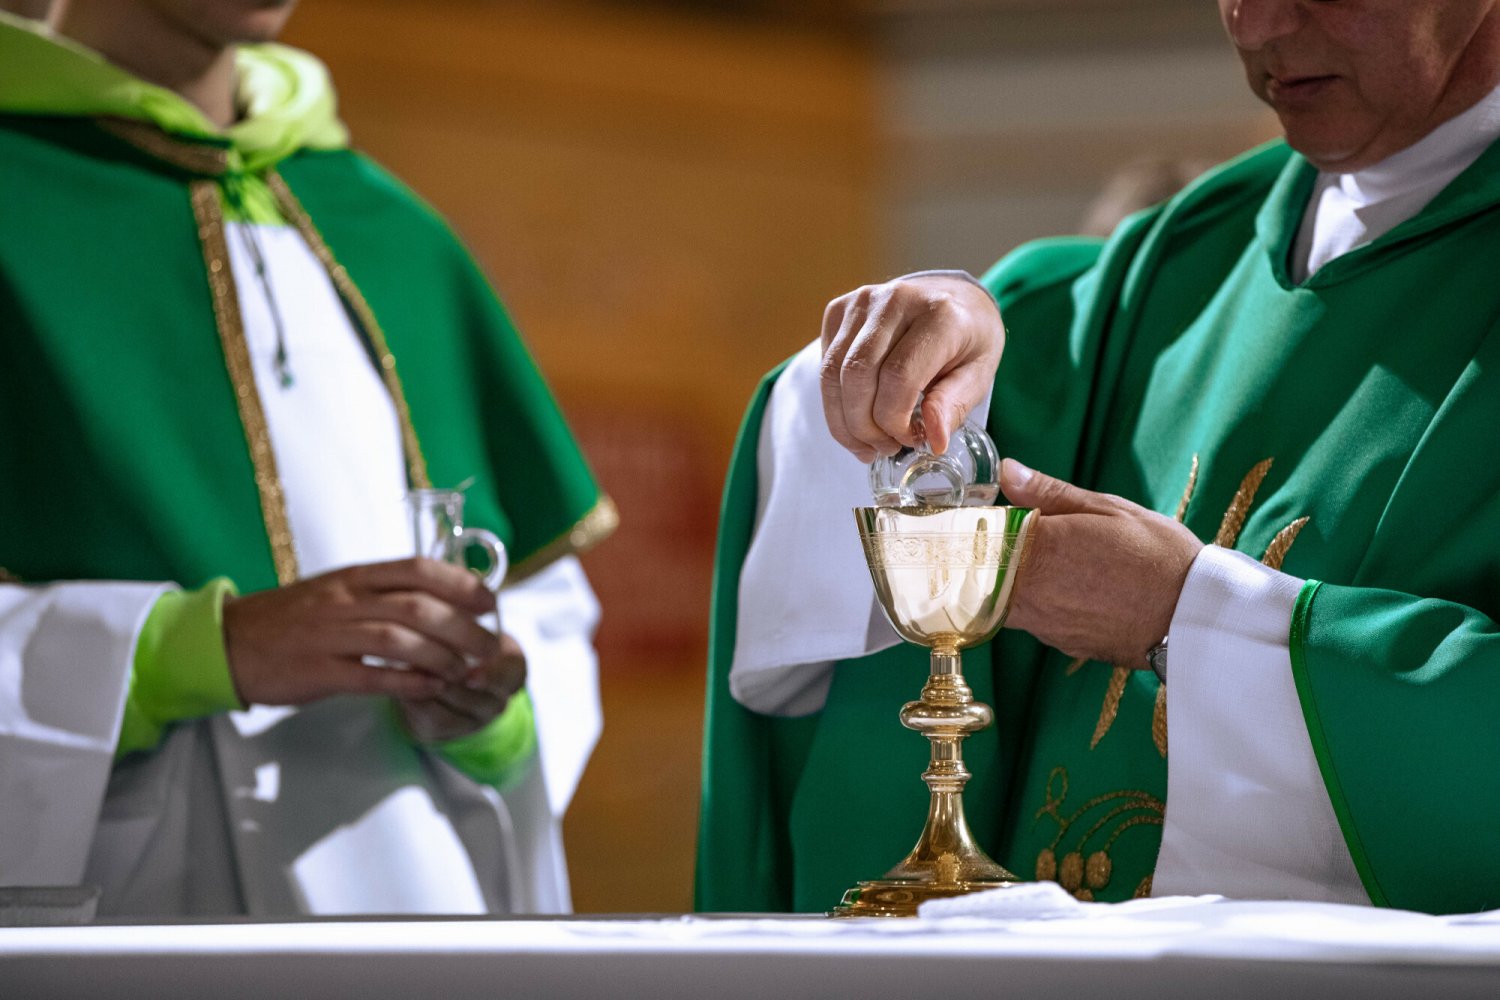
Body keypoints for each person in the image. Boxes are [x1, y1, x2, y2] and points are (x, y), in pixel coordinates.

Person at [699, 0, 1500, 916]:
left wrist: (1194, 617)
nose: (1254, 24)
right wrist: (936, 333)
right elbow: (1022, 349)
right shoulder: (1189, 249)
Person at [0, 1, 616, 916]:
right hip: (134, 913)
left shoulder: (388, 224)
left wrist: (494, 710)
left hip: (427, 904)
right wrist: (182, 654)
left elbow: (544, 606)